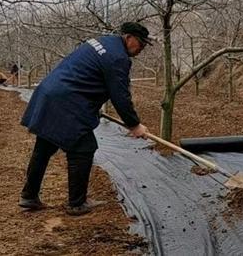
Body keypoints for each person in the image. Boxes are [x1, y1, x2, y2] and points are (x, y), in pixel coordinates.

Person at [19, 22, 152, 216]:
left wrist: (93, 107)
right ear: (128, 37)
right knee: (83, 149)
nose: (142, 48)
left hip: (51, 93)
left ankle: (29, 196)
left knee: (44, 146)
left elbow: (87, 75)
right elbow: (120, 96)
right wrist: (134, 125)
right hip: (67, 101)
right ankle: (76, 204)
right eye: (141, 43)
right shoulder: (118, 57)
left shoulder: (102, 42)